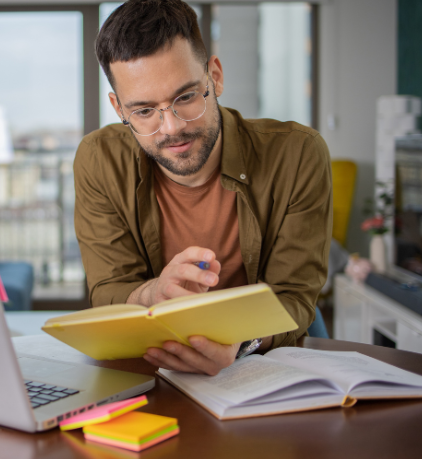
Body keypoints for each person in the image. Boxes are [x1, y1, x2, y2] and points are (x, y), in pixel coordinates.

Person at [73, 0, 332, 375]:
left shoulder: (298, 153)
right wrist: (154, 293)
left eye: (185, 97)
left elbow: (293, 296)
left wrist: (240, 342)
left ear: (215, 76)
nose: (172, 127)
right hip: (157, 366)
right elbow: (110, 290)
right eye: (144, 111)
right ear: (118, 108)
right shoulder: (99, 159)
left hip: (262, 361)